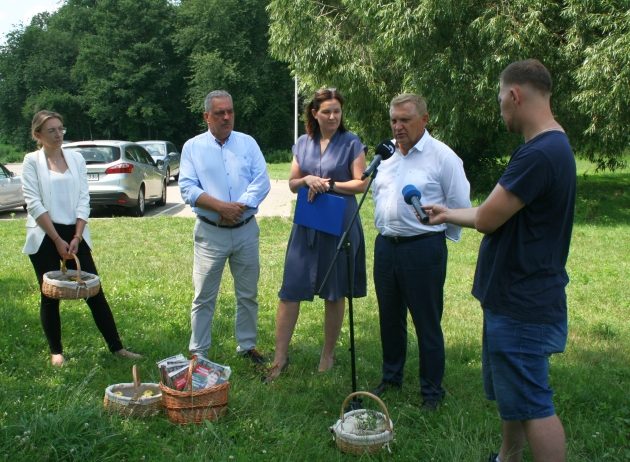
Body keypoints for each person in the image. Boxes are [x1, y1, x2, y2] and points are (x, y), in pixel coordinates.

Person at [424, 59, 575, 462]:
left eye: (500, 101)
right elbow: (496, 212)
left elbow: (488, 218)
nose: (501, 111)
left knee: (534, 403)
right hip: (519, 295)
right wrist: (448, 213)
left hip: (523, 301)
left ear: (515, 95)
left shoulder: (539, 154)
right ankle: (507, 457)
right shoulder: (551, 146)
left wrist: (450, 214)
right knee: (516, 394)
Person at [370, 94, 471, 410]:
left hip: (423, 249)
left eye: (405, 119)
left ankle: (431, 392)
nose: (398, 126)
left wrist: (436, 237)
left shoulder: (443, 157)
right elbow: (377, 195)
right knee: (389, 317)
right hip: (386, 247)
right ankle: (391, 377)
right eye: (394, 120)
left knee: (426, 321)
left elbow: (460, 206)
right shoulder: (386, 155)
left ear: (424, 120)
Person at [264, 88, 369, 382]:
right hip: (307, 224)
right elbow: (293, 183)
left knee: (334, 292)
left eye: (337, 111)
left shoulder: (352, 143)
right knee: (291, 288)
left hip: (340, 222)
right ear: (314, 113)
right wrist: (307, 179)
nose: (333, 116)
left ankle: (327, 355)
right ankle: (280, 357)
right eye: (327, 112)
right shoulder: (303, 142)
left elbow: (360, 184)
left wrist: (329, 184)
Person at [22, 110, 141, 367]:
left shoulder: (76, 159)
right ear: (38, 135)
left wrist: (77, 235)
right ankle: (56, 352)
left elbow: (83, 199)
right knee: (50, 295)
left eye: (60, 128)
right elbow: (33, 203)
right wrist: (56, 239)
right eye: (51, 130)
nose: (58, 134)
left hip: (75, 234)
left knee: (94, 291)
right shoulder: (31, 161)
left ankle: (117, 347)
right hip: (45, 235)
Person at [179, 90, 271, 366]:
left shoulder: (248, 143)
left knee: (248, 293)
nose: (227, 117)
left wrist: (238, 207)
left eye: (230, 111)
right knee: (204, 295)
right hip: (210, 232)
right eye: (220, 113)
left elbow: (261, 181)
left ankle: (247, 346)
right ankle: (199, 352)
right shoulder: (192, 147)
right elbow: (187, 188)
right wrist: (221, 208)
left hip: (245, 229)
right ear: (206, 116)